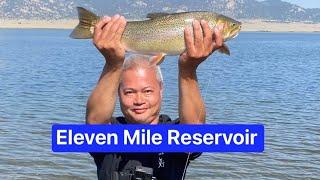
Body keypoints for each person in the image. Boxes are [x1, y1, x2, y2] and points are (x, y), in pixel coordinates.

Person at [86, 14, 224, 180]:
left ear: (161, 90)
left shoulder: (172, 134)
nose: (139, 100)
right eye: (129, 92)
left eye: (147, 91)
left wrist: (188, 70)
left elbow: (194, 134)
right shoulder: (112, 134)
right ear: (117, 93)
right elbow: (95, 123)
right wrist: (113, 64)